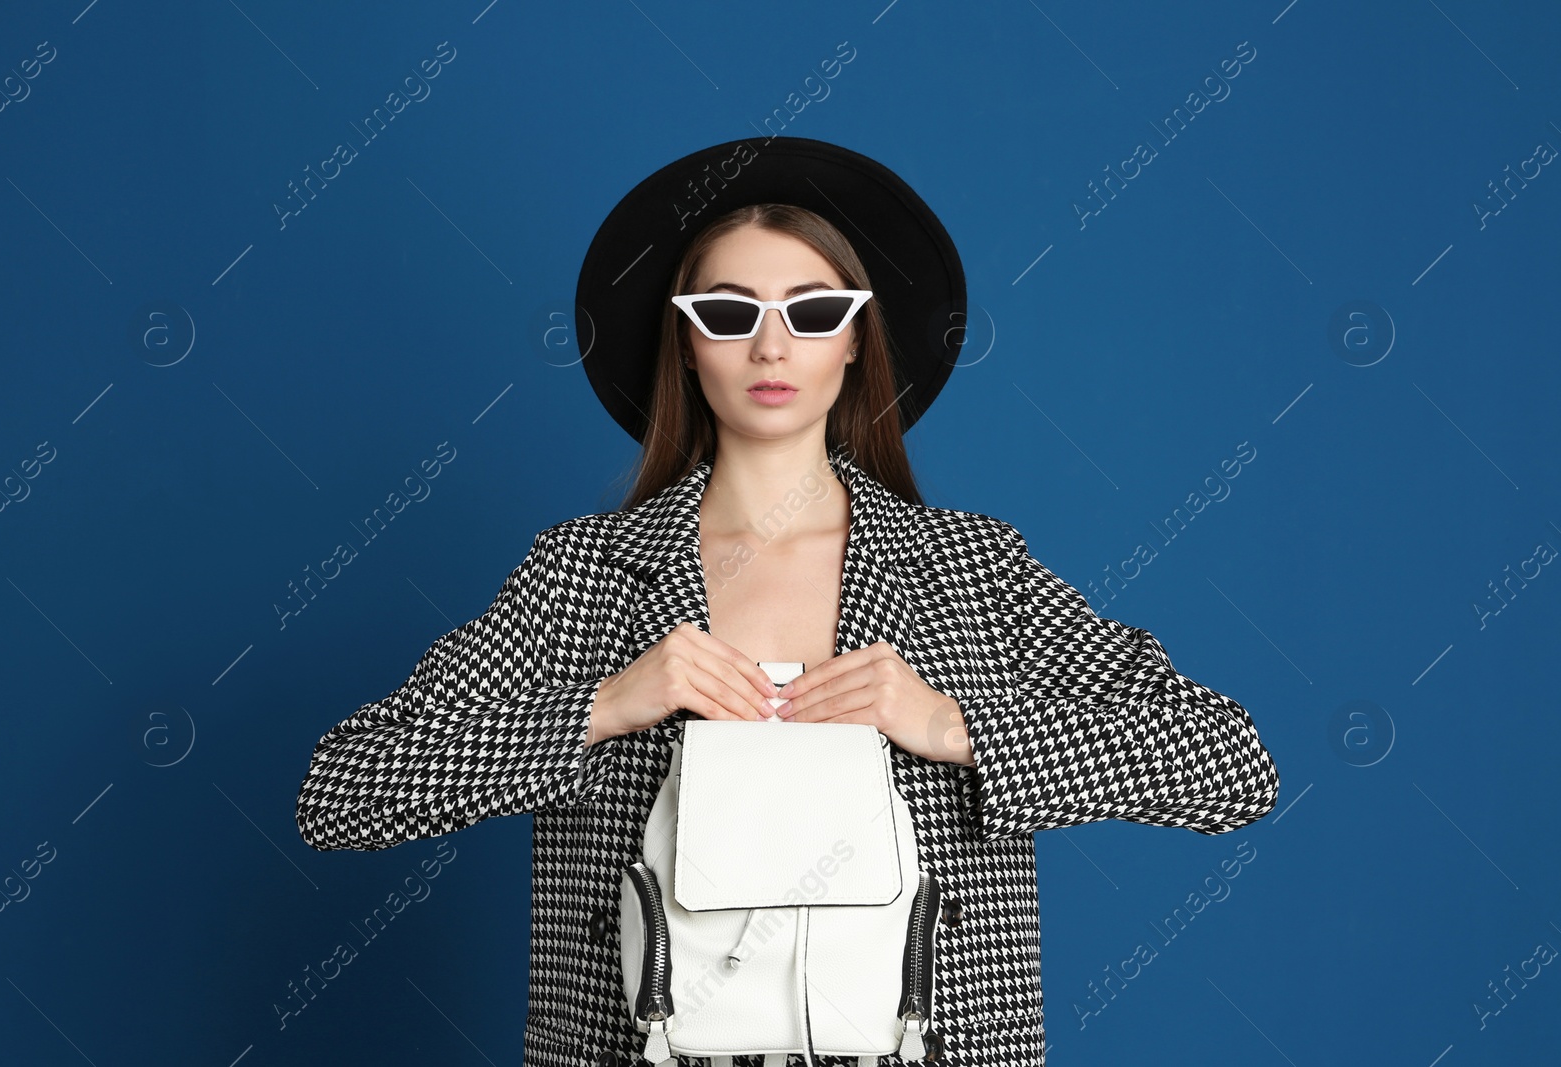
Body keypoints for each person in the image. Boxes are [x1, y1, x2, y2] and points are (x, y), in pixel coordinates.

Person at [295, 137, 1280, 1067]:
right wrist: (604, 706)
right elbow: (342, 789)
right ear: (685, 346)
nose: (772, 345)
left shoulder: (973, 569)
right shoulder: (580, 576)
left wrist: (955, 724)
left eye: (812, 312)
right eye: (728, 313)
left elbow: (1231, 765)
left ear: (855, 342)